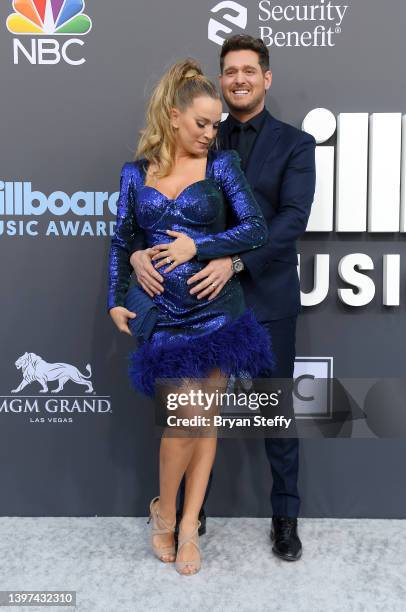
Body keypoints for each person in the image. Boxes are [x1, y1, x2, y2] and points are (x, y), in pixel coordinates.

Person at [130, 36, 316, 562]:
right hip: (197, 304)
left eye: (249, 71)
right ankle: (192, 513)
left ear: (266, 78)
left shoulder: (295, 144)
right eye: (230, 70)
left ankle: (285, 517)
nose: (239, 79)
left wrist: (231, 261)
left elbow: (290, 222)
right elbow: (158, 216)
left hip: (266, 294)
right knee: (196, 411)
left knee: (274, 410)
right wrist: (142, 256)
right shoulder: (198, 135)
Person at [107, 58, 274, 575]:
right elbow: (123, 238)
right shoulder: (135, 174)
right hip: (162, 312)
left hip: (217, 312)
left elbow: (256, 229)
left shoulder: (222, 167)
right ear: (174, 116)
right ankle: (163, 512)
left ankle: (187, 528)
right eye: (201, 123)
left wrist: (196, 245)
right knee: (183, 423)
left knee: (204, 425)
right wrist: (118, 293)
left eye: (216, 124)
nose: (210, 132)